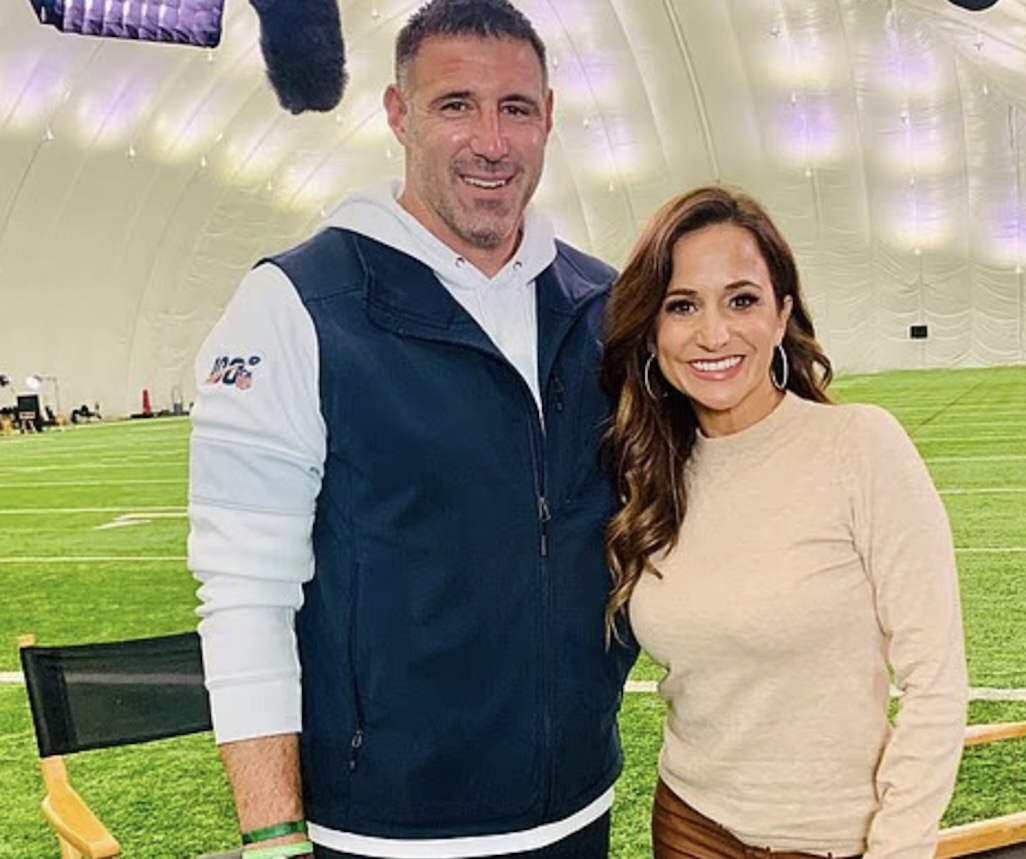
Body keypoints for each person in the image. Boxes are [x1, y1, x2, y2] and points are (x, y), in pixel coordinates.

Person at [187, 2, 635, 858]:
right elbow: (244, 591)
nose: (491, 142)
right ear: (398, 115)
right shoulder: (298, 303)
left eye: (516, 108)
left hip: (579, 808)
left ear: (549, 118)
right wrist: (274, 836)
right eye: (454, 104)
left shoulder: (604, 303)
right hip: (386, 832)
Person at [600, 186, 968, 859]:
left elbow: (936, 681)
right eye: (683, 305)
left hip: (831, 841)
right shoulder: (650, 470)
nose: (714, 333)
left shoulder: (860, 445)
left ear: (782, 315)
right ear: (652, 328)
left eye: (742, 299)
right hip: (688, 827)